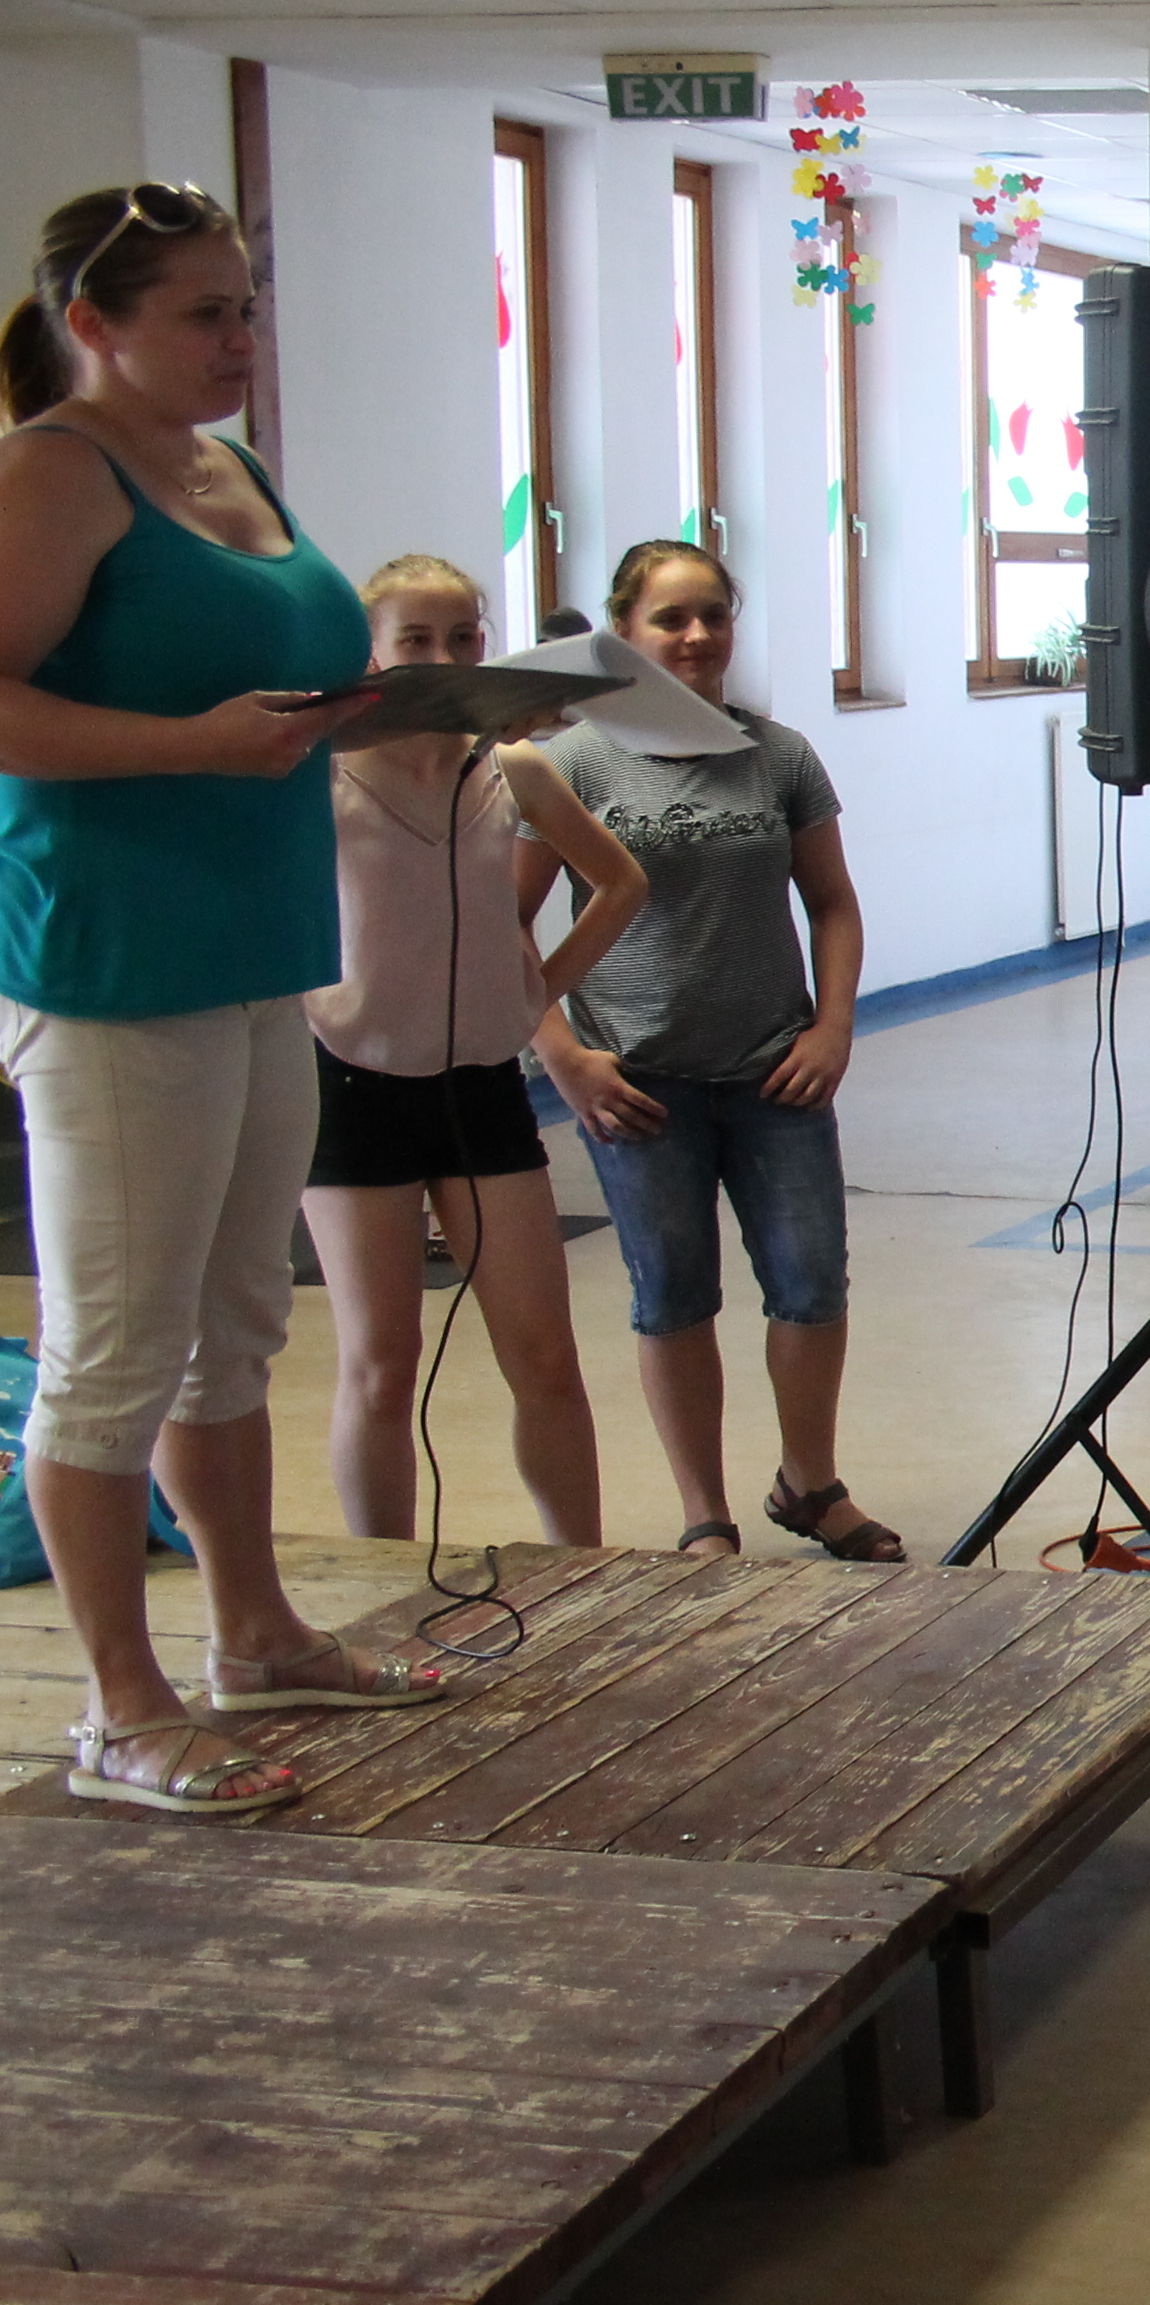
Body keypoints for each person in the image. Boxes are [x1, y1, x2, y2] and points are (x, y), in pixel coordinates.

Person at [0, 180, 437, 1815]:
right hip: (116, 965)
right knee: (116, 1344)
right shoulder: (55, 472)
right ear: (93, 323)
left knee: (236, 1323)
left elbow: (262, 686)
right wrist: (190, 745)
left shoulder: (230, 468)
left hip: (259, 948)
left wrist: (390, 707)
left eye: (246, 305)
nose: (240, 337)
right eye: (202, 312)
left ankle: (254, 1634)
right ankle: (121, 1709)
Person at [531, 539, 895, 1562]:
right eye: (670, 619)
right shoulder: (574, 762)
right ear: (624, 633)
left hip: (776, 1071)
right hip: (636, 1083)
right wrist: (562, 1057)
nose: (696, 636)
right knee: (673, 1294)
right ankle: (705, 1513)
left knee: (811, 1284)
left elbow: (833, 903)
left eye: (714, 616)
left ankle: (810, 1484)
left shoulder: (777, 756)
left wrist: (833, 1026)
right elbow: (503, 929)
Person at [299, 554, 643, 1545]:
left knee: (543, 1357)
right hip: (352, 1087)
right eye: (416, 639)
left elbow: (621, 883)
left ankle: (580, 1566)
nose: (444, 659)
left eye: (462, 638)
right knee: (382, 1363)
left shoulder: (511, 767)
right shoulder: (322, 776)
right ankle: (384, 1574)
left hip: (481, 1088)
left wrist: (538, 988)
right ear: (373, 652)